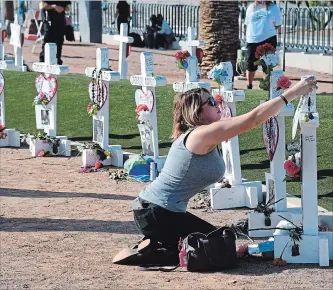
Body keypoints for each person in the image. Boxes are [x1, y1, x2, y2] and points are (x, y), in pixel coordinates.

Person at [113, 76, 317, 266]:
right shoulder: (200, 135)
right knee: (222, 250)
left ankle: (158, 244)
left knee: (224, 239)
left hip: (157, 212)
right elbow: (253, 119)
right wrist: (295, 91)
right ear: (197, 113)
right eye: (210, 102)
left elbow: (250, 119)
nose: (217, 103)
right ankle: (156, 251)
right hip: (156, 213)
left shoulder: (202, 133)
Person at [244, 0, 281, 89]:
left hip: (268, 39)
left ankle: (266, 86)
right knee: (250, 64)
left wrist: (265, 31)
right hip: (252, 40)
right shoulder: (251, 7)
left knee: (267, 64)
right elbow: (247, 23)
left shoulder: (274, 8)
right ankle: (249, 85)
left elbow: (277, 25)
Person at [39, 1, 71, 65]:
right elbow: (42, 5)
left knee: (59, 41)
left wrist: (63, 8)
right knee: (48, 40)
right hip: (49, 20)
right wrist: (54, 6)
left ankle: (57, 60)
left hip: (60, 20)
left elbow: (68, 8)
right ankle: (43, 60)